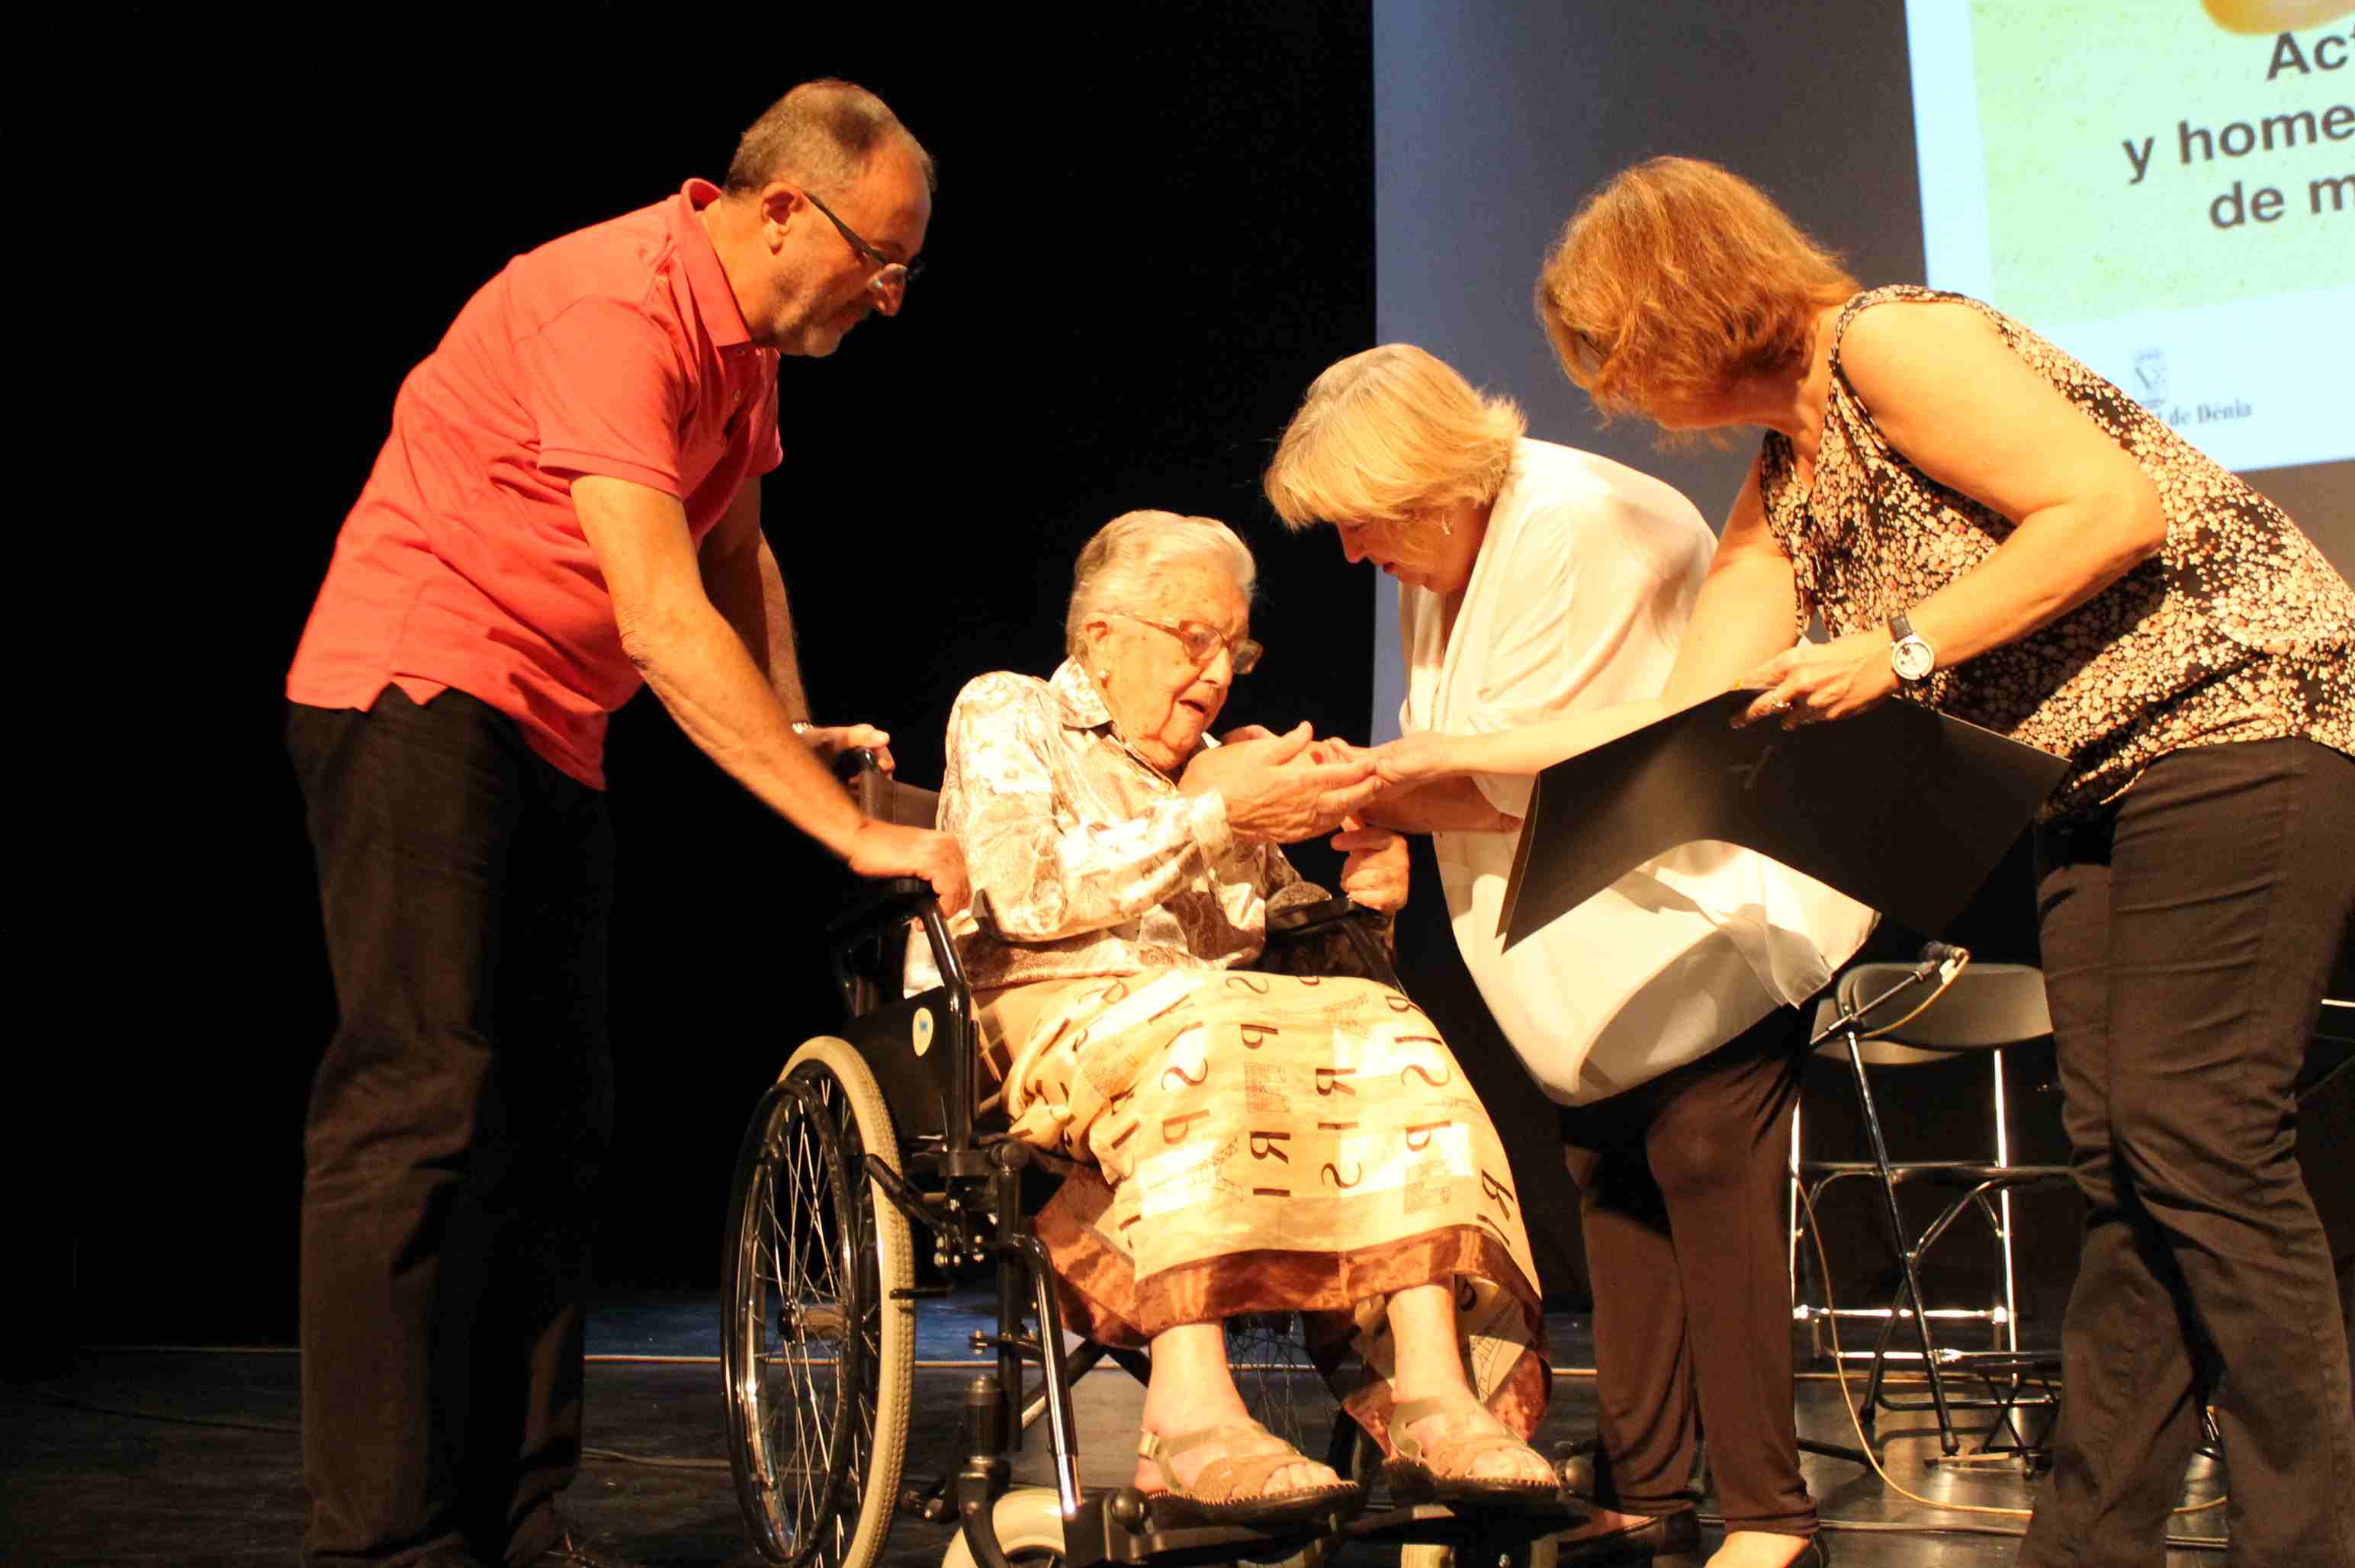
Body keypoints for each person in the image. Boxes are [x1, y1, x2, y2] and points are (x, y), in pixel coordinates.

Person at [1377, 155, 2355, 1568]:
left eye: (1616, 357)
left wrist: (1902, 651)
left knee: (2202, 1142)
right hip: (2089, 792)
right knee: (2129, 1164)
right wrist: (1423, 770)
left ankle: (2305, 1536)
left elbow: (2108, 508)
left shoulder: (1894, 338)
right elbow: (1679, 710)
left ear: (1677, 309)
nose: (1625, 398)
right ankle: (2090, 1542)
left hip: (2241, 726)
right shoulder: (1787, 479)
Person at [283, 82, 968, 1568]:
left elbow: (734, 548)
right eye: (882, 257)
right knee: (419, 1111)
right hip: (417, 691)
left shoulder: (742, 355)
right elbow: (660, 617)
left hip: (545, 724)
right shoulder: (616, 306)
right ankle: (384, 1539)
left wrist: (788, 728)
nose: (890, 297)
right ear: (783, 206)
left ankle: (519, 1510)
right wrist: (852, 837)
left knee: (554, 1123)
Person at [1265, 343, 1875, 1568]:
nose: (1349, 554)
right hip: (1589, 956)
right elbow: (1461, 757)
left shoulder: (1580, 523)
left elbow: (1541, 778)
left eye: (1358, 521)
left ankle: (1770, 1513)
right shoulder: (1444, 547)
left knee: (1707, 1169)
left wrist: (1364, 784)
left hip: (1700, 916)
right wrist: (1378, 801)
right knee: (1613, 1188)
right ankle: (1651, 1490)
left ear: (1428, 479)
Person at [918, 509, 1560, 1521]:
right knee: (1205, 1021)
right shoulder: (1010, 713)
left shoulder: (1220, 767)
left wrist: (1370, 898)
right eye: (1193, 640)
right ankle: (1189, 1416)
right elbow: (1024, 889)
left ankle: (1433, 1390)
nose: (1218, 673)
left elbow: (1310, 957)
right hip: (1044, 1020)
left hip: (1204, 1027)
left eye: (1234, 648)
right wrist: (1213, 816)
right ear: (1102, 638)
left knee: (1385, 1027)